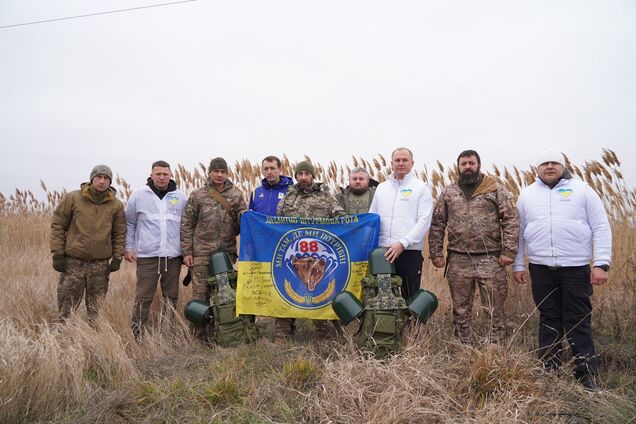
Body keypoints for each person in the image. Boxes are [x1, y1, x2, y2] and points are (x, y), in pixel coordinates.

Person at [513, 149, 611, 390]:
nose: (549, 167)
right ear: (537, 169)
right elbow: (518, 233)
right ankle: (549, 370)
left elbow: (601, 227)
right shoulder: (526, 195)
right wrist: (518, 264)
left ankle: (586, 374)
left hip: (575, 267)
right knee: (548, 318)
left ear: (562, 166)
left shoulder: (583, 190)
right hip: (540, 267)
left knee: (578, 320)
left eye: (554, 163)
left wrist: (601, 263)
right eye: (544, 163)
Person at [428, 150, 519, 343]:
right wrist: (436, 252)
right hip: (458, 259)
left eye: (471, 163)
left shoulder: (495, 189)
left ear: (478, 165)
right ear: (458, 167)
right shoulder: (449, 192)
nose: (467, 167)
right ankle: (464, 343)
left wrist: (509, 251)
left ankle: (495, 345)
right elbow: (437, 223)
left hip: (491, 258)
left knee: (494, 306)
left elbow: (510, 220)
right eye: (464, 164)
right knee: (460, 307)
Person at [276, 160, 346, 340]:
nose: (303, 177)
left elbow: (341, 217)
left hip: (318, 255)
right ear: (296, 176)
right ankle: (282, 333)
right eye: (300, 174)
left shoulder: (325, 196)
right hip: (295, 256)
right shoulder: (289, 197)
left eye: (307, 174)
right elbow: (277, 222)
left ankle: (322, 333)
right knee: (286, 291)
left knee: (318, 291)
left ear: (312, 176)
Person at [50, 165, 126, 323]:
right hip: (73, 262)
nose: (102, 181)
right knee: (66, 306)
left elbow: (119, 233)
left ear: (110, 182)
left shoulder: (116, 205)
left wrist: (118, 257)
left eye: (106, 178)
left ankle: (93, 340)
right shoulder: (73, 198)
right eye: (98, 177)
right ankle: (61, 338)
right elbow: (58, 225)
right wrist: (57, 254)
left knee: (96, 309)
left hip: (100, 264)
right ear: (92, 179)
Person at [125, 160, 187, 338]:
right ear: (151, 175)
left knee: (171, 297)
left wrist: (186, 252)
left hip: (173, 257)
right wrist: (129, 248)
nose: (161, 177)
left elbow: (186, 225)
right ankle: (137, 334)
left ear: (170, 175)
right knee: (143, 297)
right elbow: (130, 223)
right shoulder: (138, 196)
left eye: (165, 174)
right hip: (147, 256)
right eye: (158, 174)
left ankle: (168, 332)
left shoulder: (180, 197)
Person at [181, 157, 247, 309]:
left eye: (223, 172)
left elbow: (243, 222)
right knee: (200, 296)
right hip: (201, 254)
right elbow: (187, 224)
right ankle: (198, 332)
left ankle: (221, 331)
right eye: (216, 171)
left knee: (224, 296)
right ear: (209, 173)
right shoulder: (197, 195)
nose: (219, 175)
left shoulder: (236, 195)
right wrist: (187, 252)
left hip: (226, 253)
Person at [368, 147, 433, 301]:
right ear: (391, 163)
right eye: (397, 160)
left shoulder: (421, 188)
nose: (401, 163)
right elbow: (372, 217)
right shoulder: (382, 188)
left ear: (412, 163)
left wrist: (402, 243)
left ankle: (411, 325)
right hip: (383, 253)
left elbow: (424, 221)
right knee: (384, 298)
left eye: (405, 160)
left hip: (408, 252)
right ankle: (385, 325)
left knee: (409, 296)